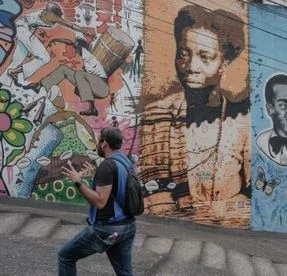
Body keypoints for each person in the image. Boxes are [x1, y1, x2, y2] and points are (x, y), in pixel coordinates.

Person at [139, 5, 250, 223]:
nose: (190, 66)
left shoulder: (242, 122)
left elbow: (256, 195)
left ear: (224, 63)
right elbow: (153, 194)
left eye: (205, 56)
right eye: (183, 54)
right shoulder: (156, 116)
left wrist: (217, 213)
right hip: (172, 232)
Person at [58, 127, 136, 275]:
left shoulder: (107, 166)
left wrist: (77, 182)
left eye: (99, 141)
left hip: (108, 228)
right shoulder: (125, 162)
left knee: (65, 256)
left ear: (104, 143)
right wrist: (96, 177)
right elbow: (117, 191)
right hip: (128, 226)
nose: (97, 144)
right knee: (125, 273)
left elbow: (100, 202)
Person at [0, 2, 89, 87]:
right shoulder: (44, 14)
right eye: (53, 15)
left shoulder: (55, 17)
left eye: (56, 16)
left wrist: (83, 30)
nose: (56, 18)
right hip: (21, 28)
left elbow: (70, 25)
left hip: (24, 30)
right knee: (45, 57)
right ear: (48, 12)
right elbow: (69, 25)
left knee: (19, 57)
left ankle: (4, 81)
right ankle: (16, 72)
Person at [25, 36, 109, 116]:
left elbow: (69, 42)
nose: (75, 50)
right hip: (94, 86)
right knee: (63, 69)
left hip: (102, 87)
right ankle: (40, 85)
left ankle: (92, 108)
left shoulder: (87, 54)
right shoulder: (85, 59)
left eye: (76, 47)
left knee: (79, 74)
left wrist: (55, 39)